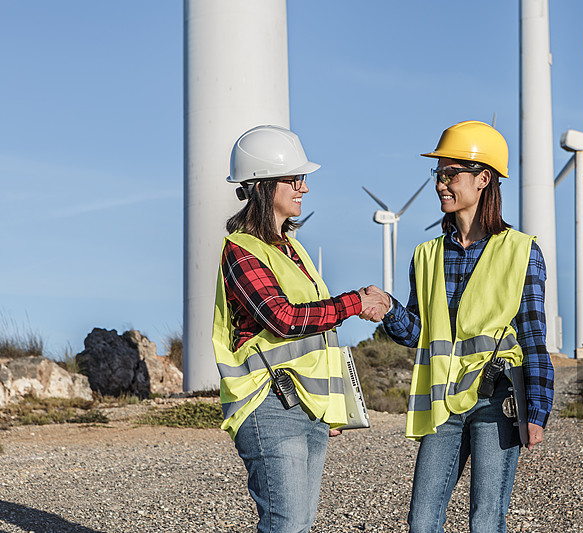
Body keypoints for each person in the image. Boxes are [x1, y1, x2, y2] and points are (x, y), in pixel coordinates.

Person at [362, 120, 554, 532]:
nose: (441, 184)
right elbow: (419, 333)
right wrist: (389, 309)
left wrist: (537, 410)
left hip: (497, 397)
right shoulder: (426, 255)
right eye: (438, 174)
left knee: (486, 520)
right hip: (443, 403)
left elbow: (535, 338)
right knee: (422, 519)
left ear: (483, 178)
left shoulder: (522, 252)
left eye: (452, 173)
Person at [211, 125, 389, 533]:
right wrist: (356, 302)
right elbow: (284, 318)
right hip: (268, 403)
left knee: (299, 524)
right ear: (262, 185)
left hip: (310, 405)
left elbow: (318, 336)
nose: (303, 188)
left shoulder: (294, 251)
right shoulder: (241, 251)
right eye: (294, 178)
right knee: (285, 524)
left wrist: (336, 402)